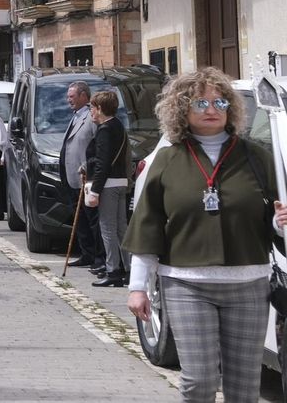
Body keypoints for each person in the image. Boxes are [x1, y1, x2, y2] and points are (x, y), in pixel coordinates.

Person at [125, 68, 287, 403]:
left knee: (243, 388)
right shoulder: (167, 159)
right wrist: (138, 288)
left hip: (249, 285)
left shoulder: (256, 157)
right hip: (186, 284)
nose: (211, 108)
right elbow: (148, 225)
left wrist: (278, 221)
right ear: (181, 108)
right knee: (199, 381)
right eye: (200, 102)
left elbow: (271, 218)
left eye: (220, 101)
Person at [85, 90, 131, 287]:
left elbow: (103, 163)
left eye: (92, 108)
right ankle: (128, 269)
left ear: (100, 108)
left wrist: (94, 190)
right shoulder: (118, 125)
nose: (91, 113)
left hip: (109, 184)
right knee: (122, 229)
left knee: (108, 230)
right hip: (121, 181)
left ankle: (113, 270)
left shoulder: (104, 130)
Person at [62, 80, 104, 272]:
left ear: (83, 96)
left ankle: (98, 257)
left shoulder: (90, 116)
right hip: (72, 176)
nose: (68, 100)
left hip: (86, 176)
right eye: (68, 96)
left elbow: (97, 145)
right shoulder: (75, 115)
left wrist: (87, 166)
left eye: (72, 96)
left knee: (92, 219)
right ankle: (86, 254)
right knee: (80, 220)